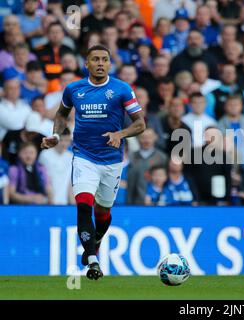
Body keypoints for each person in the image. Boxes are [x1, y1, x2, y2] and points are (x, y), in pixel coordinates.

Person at [40, 45, 146, 280]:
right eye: (95, 59)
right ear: (86, 64)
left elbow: (140, 124)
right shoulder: (74, 89)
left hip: (111, 160)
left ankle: (95, 240)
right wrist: (56, 136)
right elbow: (61, 114)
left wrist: (120, 134)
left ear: (110, 63)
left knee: (103, 210)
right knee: (84, 205)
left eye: (104, 59)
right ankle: (92, 260)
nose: (100, 63)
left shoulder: (121, 89)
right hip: (84, 156)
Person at [38, 129, 74, 205]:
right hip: (47, 202)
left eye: (67, 140)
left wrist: (72, 202)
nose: (64, 143)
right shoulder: (45, 155)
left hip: (64, 202)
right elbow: (43, 179)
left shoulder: (71, 156)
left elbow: (70, 182)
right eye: (61, 140)